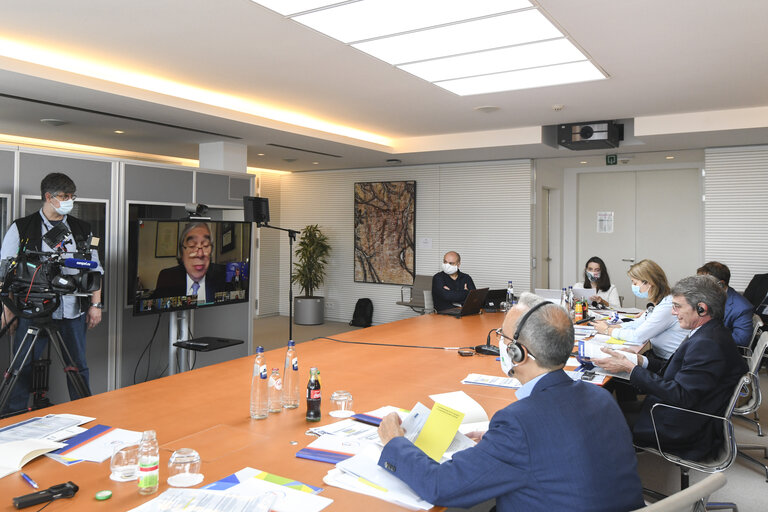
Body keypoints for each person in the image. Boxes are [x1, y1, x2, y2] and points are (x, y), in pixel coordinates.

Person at [376, 293, 644, 512]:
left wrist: (394, 442)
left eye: (503, 338)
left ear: (519, 353)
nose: (501, 345)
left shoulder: (518, 422)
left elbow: (441, 486)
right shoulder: (600, 397)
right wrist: (498, 442)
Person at [595, 275, 747, 460]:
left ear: (701, 308)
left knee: (598, 418)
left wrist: (630, 369)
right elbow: (677, 370)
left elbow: (681, 395)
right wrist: (639, 361)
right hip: (680, 413)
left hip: (681, 427)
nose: (673, 313)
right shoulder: (709, 332)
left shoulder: (708, 343)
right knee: (610, 405)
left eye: (678, 306)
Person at [0, 172, 103, 414]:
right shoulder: (22, 228)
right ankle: (13, 417)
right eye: (65, 196)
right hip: (31, 309)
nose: (70, 200)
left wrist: (95, 305)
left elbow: (95, 271)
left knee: (77, 365)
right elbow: (6, 273)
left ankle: (83, 415)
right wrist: (8, 311)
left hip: (71, 310)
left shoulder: (82, 229)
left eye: (72, 196)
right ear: (48, 197)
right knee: (22, 365)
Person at [591, 259, 688, 361]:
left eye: (635, 283)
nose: (633, 286)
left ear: (648, 283)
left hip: (669, 363)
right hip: (660, 357)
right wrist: (612, 326)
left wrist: (607, 331)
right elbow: (638, 324)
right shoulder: (660, 303)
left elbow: (638, 336)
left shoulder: (667, 307)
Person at [153, 222, 229, 304]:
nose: (200, 254)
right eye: (192, 246)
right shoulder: (167, 278)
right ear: (181, 252)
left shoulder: (224, 275)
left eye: (206, 245)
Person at [696, 261, 754, 346]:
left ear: (721, 284)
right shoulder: (706, 296)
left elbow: (742, 339)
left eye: (705, 282)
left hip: (720, 351)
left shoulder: (742, 308)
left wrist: (708, 334)